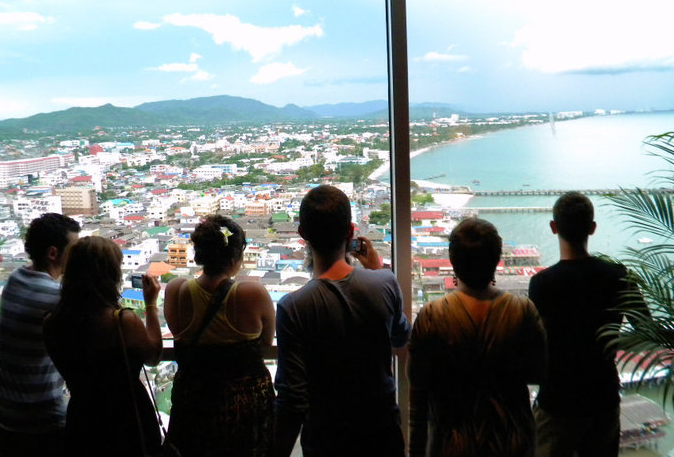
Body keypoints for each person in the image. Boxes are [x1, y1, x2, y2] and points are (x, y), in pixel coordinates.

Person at [273, 185, 411, 457]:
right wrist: (376, 270)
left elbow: (292, 399)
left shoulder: (293, 307)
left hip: (326, 441)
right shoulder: (385, 283)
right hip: (382, 436)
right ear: (350, 232)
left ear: (302, 234)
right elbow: (401, 336)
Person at [408, 217, 547, 457]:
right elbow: (539, 372)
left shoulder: (432, 315)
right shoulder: (522, 311)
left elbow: (418, 399)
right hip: (511, 441)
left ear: (453, 261)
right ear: (497, 259)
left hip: (452, 444)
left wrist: (416, 450)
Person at [528, 191, 648, 456]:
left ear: (553, 227)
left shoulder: (542, 284)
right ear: (592, 228)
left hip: (556, 401)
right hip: (602, 398)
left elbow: (534, 344)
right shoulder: (617, 276)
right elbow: (645, 329)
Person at [164, 215, 275, 456]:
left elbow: (178, 334)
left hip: (194, 401)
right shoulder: (252, 293)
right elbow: (266, 342)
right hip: (244, 406)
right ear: (235, 258)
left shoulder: (177, 290)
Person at [44, 236, 163, 456]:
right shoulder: (121, 322)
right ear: (110, 274)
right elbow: (153, 356)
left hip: (82, 419)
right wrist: (151, 305)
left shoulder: (52, 324)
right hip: (127, 419)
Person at [0, 213, 80, 457]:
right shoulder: (56, 296)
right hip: (36, 421)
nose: (77, 256)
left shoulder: (15, 279)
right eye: (73, 249)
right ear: (53, 253)